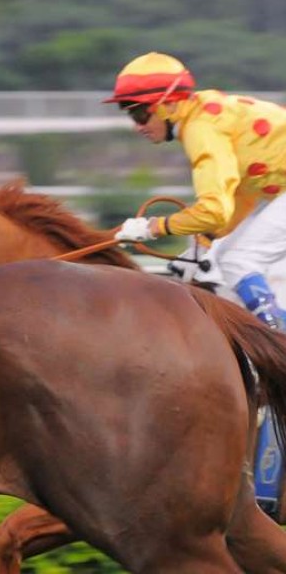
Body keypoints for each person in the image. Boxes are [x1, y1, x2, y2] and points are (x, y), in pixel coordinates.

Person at [105, 51, 286, 515]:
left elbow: (216, 210)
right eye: (132, 115)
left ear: (167, 104)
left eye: (139, 112)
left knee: (241, 257)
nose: (138, 125)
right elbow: (238, 200)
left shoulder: (201, 126)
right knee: (225, 256)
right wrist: (202, 247)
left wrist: (153, 229)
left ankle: (277, 343)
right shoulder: (207, 112)